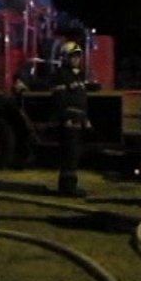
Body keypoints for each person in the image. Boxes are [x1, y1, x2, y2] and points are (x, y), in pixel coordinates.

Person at [51, 41, 91, 197]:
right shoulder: (61, 75)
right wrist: (65, 117)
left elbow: (81, 98)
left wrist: (85, 118)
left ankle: (70, 186)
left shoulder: (77, 75)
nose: (76, 59)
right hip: (69, 120)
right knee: (69, 154)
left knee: (74, 154)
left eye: (78, 56)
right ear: (65, 58)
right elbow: (59, 98)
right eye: (73, 56)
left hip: (78, 119)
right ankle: (67, 189)